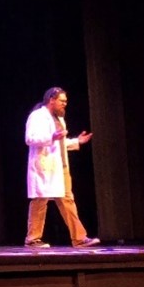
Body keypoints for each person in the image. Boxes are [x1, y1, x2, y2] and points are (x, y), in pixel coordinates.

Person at [24, 87, 100, 248]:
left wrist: (77, 141)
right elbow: (30, 139)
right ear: (51, 99)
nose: (65, 104)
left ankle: (79, 238)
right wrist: (51, 137)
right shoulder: (38, 116)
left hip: (60, 167)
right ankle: (32, 239)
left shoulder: (58, 119)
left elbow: (59, 144)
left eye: (65, 101)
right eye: (62, 101)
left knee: (67, 201)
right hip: (44, 167)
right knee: (40, 201)